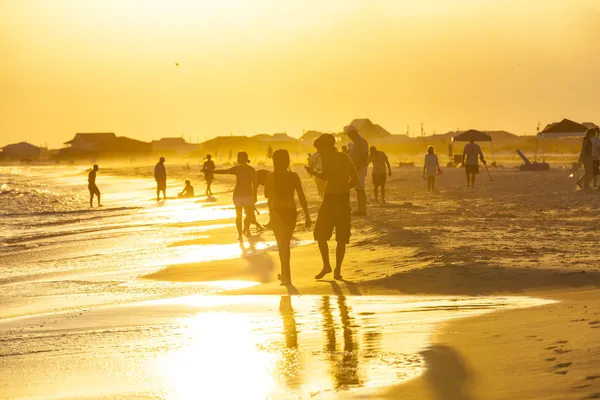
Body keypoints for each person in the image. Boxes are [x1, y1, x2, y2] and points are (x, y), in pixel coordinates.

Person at [306, 134, 359, 280]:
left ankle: (327, 265)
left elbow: (327, 176)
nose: (319, 151)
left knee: (320, 234)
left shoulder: (327, 157)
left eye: (319, 148)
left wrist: (313, 172)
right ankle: (336, 270)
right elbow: (355, 179)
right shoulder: (345, 157)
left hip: (330, 200)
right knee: (341, 237)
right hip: (343, 199)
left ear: (327, 146)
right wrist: (344, 187)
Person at [265, 149, 311, 285]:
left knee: (282, 245)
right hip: (291, 212)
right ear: (288, 160)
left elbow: (267, 195)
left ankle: (286, 276)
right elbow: (302, 197)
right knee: (286, 245)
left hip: (276, 212)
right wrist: (307, 215)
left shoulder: (269, 177)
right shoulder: (294, 176)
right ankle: (285, 274)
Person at [213, 151, 258, 241]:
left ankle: (246, 229)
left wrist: (255, 196)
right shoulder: (238, 169)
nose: (238, 159)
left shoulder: (251, 169)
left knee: (248, 215)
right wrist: (212, 171)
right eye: (238, 157)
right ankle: (240, 234)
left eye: (239, 157)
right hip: (238, 195)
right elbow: (224, 171)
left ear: (244, 158)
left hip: (248, 195)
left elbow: (255, 183)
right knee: (239, 215)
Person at [345, 126, 369, 216]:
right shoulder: (356, 142)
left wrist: (360, 165)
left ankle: (362, 210)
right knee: (358, 190)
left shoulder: (361, 141)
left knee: (360, 189)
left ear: (354, 132)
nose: (349, 136)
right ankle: (360, 209)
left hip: (360, 168)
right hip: (357, 168)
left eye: (349, 134)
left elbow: (365, 154)